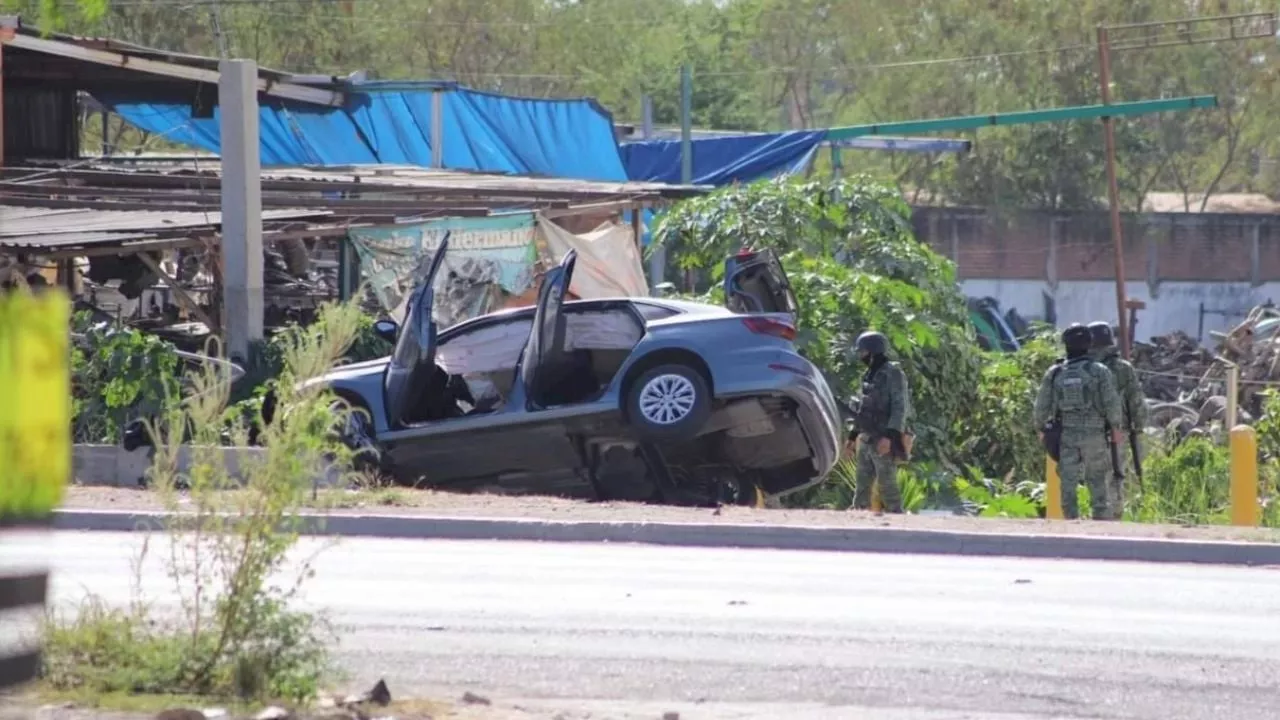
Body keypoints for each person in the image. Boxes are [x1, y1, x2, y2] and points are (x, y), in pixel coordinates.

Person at [1034, 324, 1126, 520]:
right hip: (1095, 434)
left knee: (1068, 481)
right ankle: (1100, 521)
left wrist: (1040, 427)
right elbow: (1111, 402)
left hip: (1067, 434)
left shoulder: (1055, 372)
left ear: (1066, 345)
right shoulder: (1100, 371)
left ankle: (1071, 521)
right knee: (1097, 479)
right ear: (1089, 344)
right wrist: (1116, 427)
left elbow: (1042, 404)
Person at [851, 331, 912, 513]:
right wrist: (852, 435)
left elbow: (900, 407)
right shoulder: (869, 374)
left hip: (883, 434)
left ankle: (896, 515)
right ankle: (858, 512)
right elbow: (862, 407)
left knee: (887, 482)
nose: (861, 356)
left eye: (863, 352)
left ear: (873, 352)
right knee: (862, 479)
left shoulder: (893, 373)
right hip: (866, 434)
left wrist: (889, 437)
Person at [1088, 321, 1148, 504]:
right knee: (1115, 478)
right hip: (1116, 433)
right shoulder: (1123, 368)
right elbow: (1136, 402)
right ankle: (1111, 519)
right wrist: (1137, 428)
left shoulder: (1082, 367)